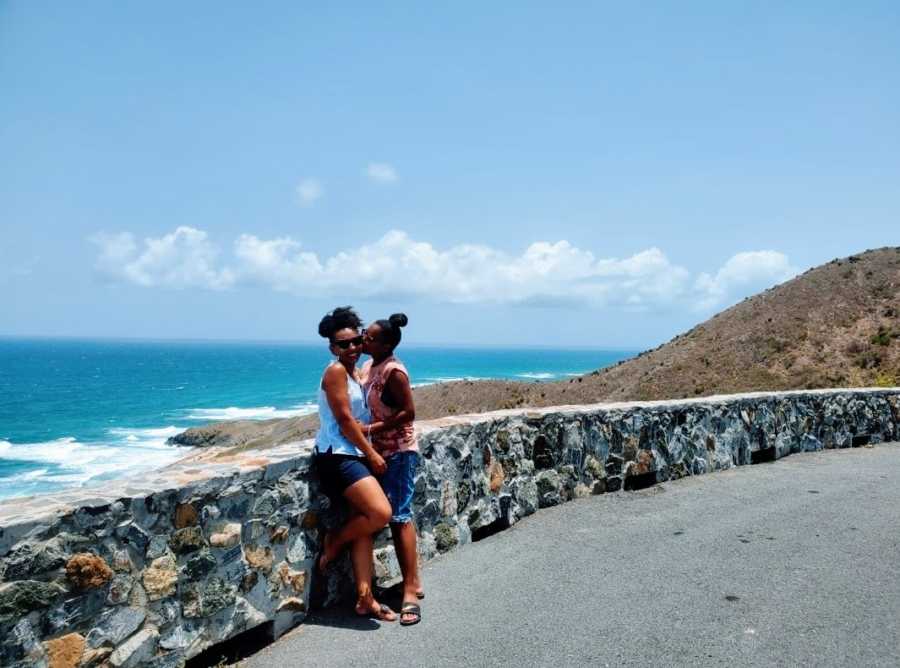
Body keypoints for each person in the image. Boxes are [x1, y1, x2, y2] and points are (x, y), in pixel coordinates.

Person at [313, 306, 396, 621]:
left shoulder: (354, 371)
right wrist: (372, 454)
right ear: (333, 348)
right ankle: (334, 540)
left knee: (364, 523)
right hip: (338, 454)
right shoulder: (335, 371)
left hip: (353, 453)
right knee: (380, 513)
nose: (351, 348)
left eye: (355, 342)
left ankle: (365, 599)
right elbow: (345, 420)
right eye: (343, 344)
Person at [361, 313, 423, 626]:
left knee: (399, 517)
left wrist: (370, 428)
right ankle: (411, 582)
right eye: (363, 334)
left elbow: (409, 412)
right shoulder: (368, 366)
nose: (364, 339)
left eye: (369, 337)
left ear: (386, 343)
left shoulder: (394, 371)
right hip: (377, 452)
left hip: (398, 453)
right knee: (388, 515)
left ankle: (410, 589)